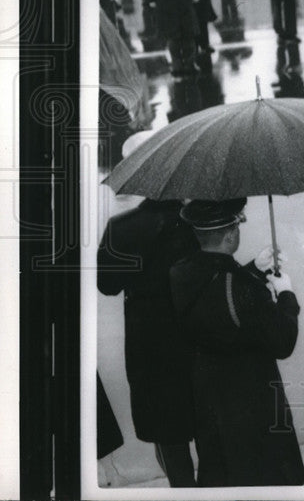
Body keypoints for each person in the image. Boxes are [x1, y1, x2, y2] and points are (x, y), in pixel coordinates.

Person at [169, 198, 304, 487]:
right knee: (264, 472)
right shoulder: (244, 288)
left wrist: (254, 269)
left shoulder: (180, 271)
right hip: (250, 395)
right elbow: (283, 343)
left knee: (220, 469)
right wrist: (286, 294)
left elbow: (218, 293)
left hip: (208, 390)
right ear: (231, 234)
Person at [97, 134, 198, 486]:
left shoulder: (121, 230)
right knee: (207, 423)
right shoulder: (197, 220)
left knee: (167, 434)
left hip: (150, 344)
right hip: (197, 334)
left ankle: (183, 490)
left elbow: (107, 285)